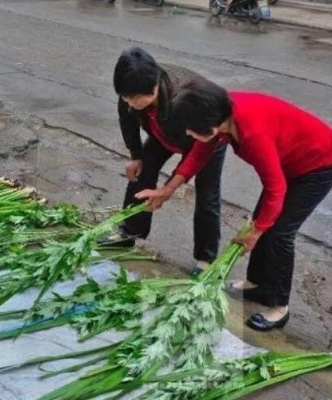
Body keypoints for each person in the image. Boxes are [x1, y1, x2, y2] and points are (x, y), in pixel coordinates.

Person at [136, 81, 332, 332]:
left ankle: (279, 307)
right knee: (264, 220)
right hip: (289, 160)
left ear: (209, 124)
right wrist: (168, 189)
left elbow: (276, 188)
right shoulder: (220, 116)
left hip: (318, 164)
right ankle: (257, 285)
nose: (188, 135)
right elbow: (199, 153)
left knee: (279, 233)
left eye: (191, 130)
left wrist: (257, 232)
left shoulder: (252, 134)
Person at [104, 47, 226, 276]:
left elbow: (194, 153)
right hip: (164, 133)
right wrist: (136, 156)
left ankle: (206, 259)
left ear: (155, 87)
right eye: (125, 97)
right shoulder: (131, 91)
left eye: (136, 99)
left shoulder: (185, 100)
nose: (130, 103)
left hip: (206, 139)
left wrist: (168, 189)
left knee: (207, 193)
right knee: (142, 172)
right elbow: (127, 120)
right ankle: (129, 232)